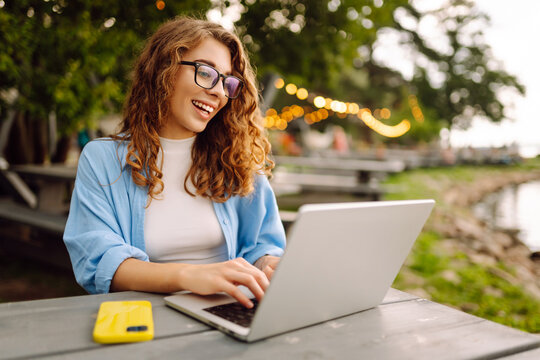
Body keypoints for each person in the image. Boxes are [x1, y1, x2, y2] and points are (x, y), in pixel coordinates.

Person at [63, 16, 286, 309]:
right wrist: (189, 275)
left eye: (227, 81)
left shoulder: (237, 159)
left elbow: (263, 243)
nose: (219, 92)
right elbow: (98, 260)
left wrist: (269, 262)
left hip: (231, 311)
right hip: (146, 318)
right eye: (206, 73)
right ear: (163, 70)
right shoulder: (103, 160)